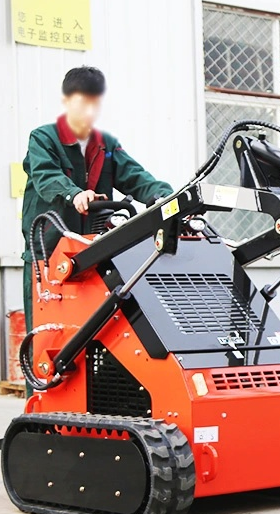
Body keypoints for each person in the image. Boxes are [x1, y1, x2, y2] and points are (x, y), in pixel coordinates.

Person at [21, 66, 173, 361]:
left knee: (93, 334)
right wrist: (74, 193)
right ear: (67, 100)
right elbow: (47, 177)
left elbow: (136, 178)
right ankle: (42, 390)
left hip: (93, 253)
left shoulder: (106, 144)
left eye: (95, 102)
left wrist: (166, 198)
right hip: (49, 254)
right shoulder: (43, 139)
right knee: (47, 338)